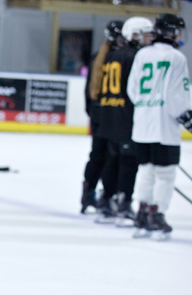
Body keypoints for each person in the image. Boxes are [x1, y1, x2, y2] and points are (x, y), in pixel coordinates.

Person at [127, 13, 192, 240]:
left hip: (143, 125)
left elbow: (133, 90)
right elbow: (177, 95)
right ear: (171, 32)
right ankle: (158, 214)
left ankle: (143, 213)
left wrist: (147, 106)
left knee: (147, 170)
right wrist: (186, 116)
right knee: (165, 174)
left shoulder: (142, 54)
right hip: (164, 126)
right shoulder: (177, 58)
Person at [93, 17, 154, 226]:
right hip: (125, 116)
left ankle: (106, 200)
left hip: (109, 115)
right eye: (145, 34)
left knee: (112, 159)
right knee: (128, 161)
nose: (149, 39)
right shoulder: (135, 56)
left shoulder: (112, 55)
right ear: (133, 35)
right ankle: (124, 202)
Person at [80, 20, 124, 214]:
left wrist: (93, 113)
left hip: (99, 114)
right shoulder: (118, 57)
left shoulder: (98, 56)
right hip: (111, 115)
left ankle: (89, 194)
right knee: (108, 156)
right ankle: (104, 196)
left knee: (98, 155)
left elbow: (88, 91)